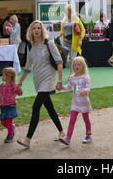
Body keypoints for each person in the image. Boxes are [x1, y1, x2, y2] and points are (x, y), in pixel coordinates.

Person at [16, 20, 65, 149]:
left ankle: (27, 139)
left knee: (36, 106)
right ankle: (61, 132)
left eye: (38, 28)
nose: (36, 30)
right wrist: (20, 82)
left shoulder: (49, 43)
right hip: (38, 79)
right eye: (34, 28)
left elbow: (59, 62)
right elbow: (28, 66)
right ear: (31, 31)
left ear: (42, 30)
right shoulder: (30, 46)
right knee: (49, 107)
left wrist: (59, 80)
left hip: (49, 78)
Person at [58, 56, 92, 145]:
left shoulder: (86, 77)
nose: (76, 66)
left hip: (84, 103)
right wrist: (61, 87)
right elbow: (68, 87)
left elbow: (88, 87)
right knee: (72, 120)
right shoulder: (72, 77)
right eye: (75, 64)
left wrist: (85, 90)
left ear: (83, 66)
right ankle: (68, 138)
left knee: (86, 119)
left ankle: (88, 135)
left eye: (79, 64)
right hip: (75, 103)